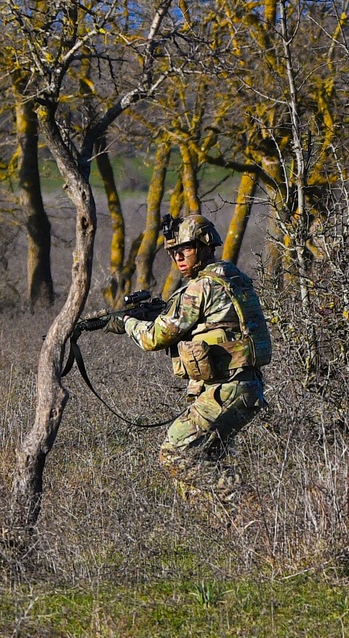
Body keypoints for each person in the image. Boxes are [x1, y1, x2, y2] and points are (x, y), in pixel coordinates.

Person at [106, 214, 271, 501]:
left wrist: (126, 323)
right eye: (174, 252)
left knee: (175, 455)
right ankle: (226, 528)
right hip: (245, 387)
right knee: (203, 462)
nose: (179, 257)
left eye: (187, 249)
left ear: (206, 246)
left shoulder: (200, 287)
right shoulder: (234, 278)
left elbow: (153, 338)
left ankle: (249, 502)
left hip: (226, 390)